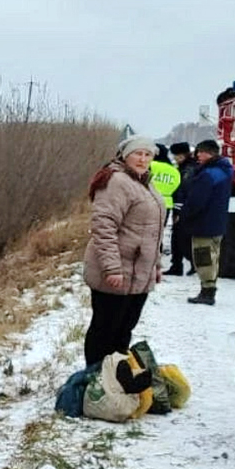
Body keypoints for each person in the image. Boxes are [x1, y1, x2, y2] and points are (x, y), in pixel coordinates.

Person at [83, 136, 166, 366]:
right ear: (124, 155)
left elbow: (153, 232)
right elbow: (104, 227)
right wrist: (112, 268)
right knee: (105, 330)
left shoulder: (145, 182)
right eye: (137, 153)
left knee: (124, 330)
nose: (142, 159)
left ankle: (115, 378)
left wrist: (156, 265)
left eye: (147, 154)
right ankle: (95, 378)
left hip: (139, 273)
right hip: (116, 272)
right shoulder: (116, 181)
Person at [182, 139, 233, 305]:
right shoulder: (225, 171)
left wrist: (186, 215)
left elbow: (197, 201)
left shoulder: (208, 174)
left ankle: (207, 292)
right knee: (214, 256)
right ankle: (210, 287)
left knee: (203, 257)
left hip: (204, 224)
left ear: (209, 153)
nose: (197, 156)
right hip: (218, 222)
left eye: (200, 152)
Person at [164, 142, 197, 275]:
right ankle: (177, 265)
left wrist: (178, 210)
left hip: (184, 209)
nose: (175, 158)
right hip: (185, 207)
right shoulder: (186, 167)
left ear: (182, 155)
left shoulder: (188, 170)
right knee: (177, 237)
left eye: (176, 155)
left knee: (181, 238)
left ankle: (189, 264)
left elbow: (183, 191)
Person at [149, 143, 180, 226]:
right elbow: (177, 192)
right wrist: (176, 211)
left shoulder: (150, 165)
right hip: (166, 205)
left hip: (148, 202)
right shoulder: (174, 170)